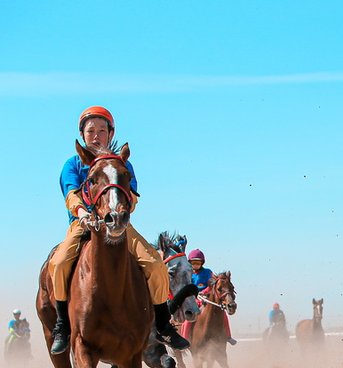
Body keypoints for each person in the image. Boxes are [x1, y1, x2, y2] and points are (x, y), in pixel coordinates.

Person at [47, 106, 189, 354]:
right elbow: (71, 195)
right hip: (83, 225)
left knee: (155, 263)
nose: (96, 135)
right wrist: (83, 215)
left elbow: (132, 196)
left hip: (119, 224)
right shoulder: (72, 164)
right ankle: (62, 324)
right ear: (83, 134)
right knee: (58, 263)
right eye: (91, 130)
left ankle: (164, 325)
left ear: (111, 133)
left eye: (102, 130)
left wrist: (123, 212)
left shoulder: (123, 164)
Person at [180, 249, 236, 345]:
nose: (196, 265)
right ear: (190, 263)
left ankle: (228, 336)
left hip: (207, 299)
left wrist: (204, 292)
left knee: (224, 314)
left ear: (202, 263)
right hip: (193, 300)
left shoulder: (207, 272)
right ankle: (185, 340)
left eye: (198, 262)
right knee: (188, 319)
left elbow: (212, 286)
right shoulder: (187, 274)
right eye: (194, 263)